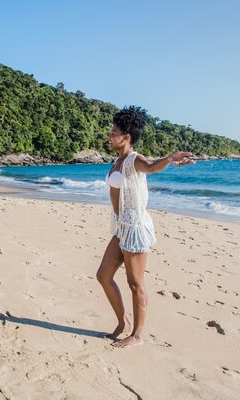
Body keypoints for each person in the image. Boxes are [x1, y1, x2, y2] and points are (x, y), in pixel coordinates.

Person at [96, 106, 194, 347]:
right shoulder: (117, 160)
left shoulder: (133, 160)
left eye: (114, 131)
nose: (109, 134)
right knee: (103, 275)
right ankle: (123, 322)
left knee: (135, 283)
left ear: (126, 137)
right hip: (121, 227)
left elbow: (151, 166)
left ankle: (137, 336)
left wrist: (169, 159)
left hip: (135, 227)